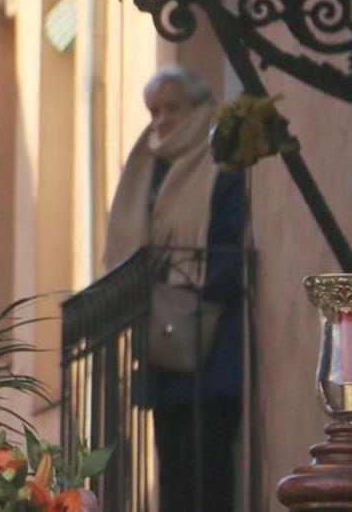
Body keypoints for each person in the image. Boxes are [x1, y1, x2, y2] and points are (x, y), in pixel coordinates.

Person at [103, 63, 248, 511]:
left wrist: (200, 294)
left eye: (172, 108)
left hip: (211, 332)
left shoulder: (222, 159)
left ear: (200, 106)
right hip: (162, 339)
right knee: (173, 465)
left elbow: (230, 236)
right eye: (154, 111)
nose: (161, 121)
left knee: (209, 457)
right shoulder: (149, 166)